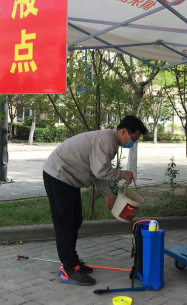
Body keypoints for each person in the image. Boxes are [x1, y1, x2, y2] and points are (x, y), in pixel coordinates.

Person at [42, 115, 148, 287]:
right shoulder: (105, 141)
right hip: (59, 175)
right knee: (65, 223)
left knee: (75, 220)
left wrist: (107, 194)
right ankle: (68, 268)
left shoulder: (109, 141)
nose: (132, 143)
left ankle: (72, 262)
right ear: (123, 132)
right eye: (133, 139)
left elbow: (96, 171)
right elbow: (100, 171)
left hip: (68, 178)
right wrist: (124, 174)